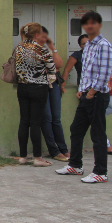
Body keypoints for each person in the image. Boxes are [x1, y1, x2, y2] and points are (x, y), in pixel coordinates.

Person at [56, 10, 112, 183]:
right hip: (86, 95)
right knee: (76, 129)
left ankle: (101, 172)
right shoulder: (88, 45)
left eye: (93, 23)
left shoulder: (104, 45)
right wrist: (82, 89)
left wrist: (92, 92)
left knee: (97, 134)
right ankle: (75, 165)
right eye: (86, 23)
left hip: (97, 96)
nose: (89, 25)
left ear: (99, 25)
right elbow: (87, 71)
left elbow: (104, 73)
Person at [62, 33, 112, 155]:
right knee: (88, 125)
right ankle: (106, 147)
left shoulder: (100, 52)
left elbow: (105, 69)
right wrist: (62, 85)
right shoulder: (77, 55)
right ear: (79, 45)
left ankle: (93, 116)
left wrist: (108, 80)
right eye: (84, 43)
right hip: (87, 91)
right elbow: (67, 69)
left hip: (102, 89)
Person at [14, 22, 56, 167]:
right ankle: (37, 157)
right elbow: (52, 70)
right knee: (35, 123)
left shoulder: (18, 48)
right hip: (38, 88)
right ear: (37, 35)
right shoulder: (42, 50)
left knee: (24, 121)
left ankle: (23, 156)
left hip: (22, 88)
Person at [38, 27, 69, 162]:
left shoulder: (47, 49)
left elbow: (59, 65)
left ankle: (63, 149)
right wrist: (51, 67)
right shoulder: (30, 49)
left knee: (56, 117)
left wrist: (53, 48)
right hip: (41, 84)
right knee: (47, 118)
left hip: (54, 83)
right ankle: (54, 150)